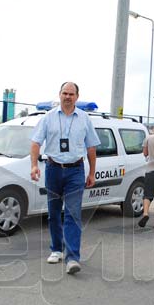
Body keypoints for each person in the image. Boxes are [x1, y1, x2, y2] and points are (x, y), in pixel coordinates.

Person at [30, 82, 100, 275]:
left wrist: (92, 172)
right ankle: (56, 249)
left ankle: (72, 258)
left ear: (77, 97)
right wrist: (34, 165)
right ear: (59, 95)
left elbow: (91, 148)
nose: (68, 96)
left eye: (71, 94)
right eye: (65, 93)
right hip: (53, 169)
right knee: (53, 213)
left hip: (75, 171)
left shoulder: (84, 118)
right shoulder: (48, 118)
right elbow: (36, 142)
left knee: (72, 213)